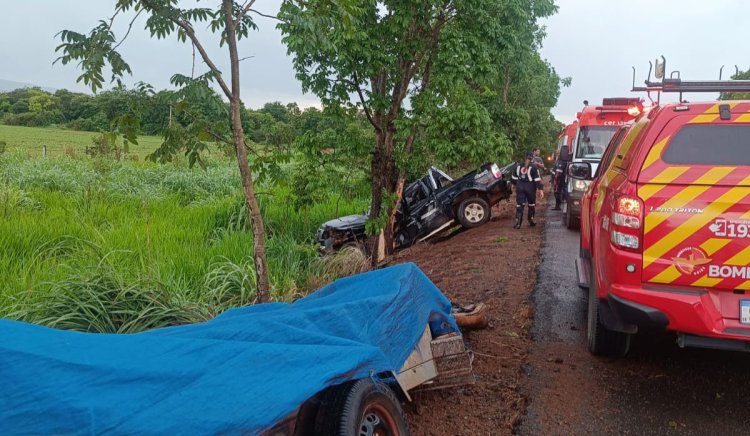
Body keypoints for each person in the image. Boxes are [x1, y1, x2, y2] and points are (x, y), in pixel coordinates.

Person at [511, 151, 544, 228]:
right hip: (530, 188)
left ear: (525, 156)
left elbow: (514, 178)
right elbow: (537, 180)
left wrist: (514, 185)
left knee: (520, 204)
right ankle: (531, 220)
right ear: (532, 157)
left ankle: (518, 222)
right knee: (531, 204)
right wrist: (540, 190)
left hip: (520, 187)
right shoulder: (534, 167)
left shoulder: (518, 166)